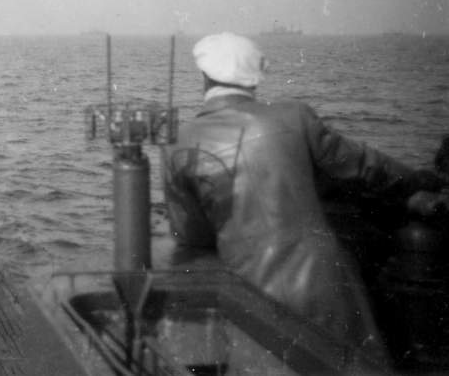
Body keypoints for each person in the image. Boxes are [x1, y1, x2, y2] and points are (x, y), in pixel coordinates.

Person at [162, 32, 448, 361]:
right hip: (325, 284)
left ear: (204, 78)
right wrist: (417, 181)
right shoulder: (295, 116)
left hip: (251, 296)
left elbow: (191, 235)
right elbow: (363, 165)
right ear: (254, 79)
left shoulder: (179, 144)